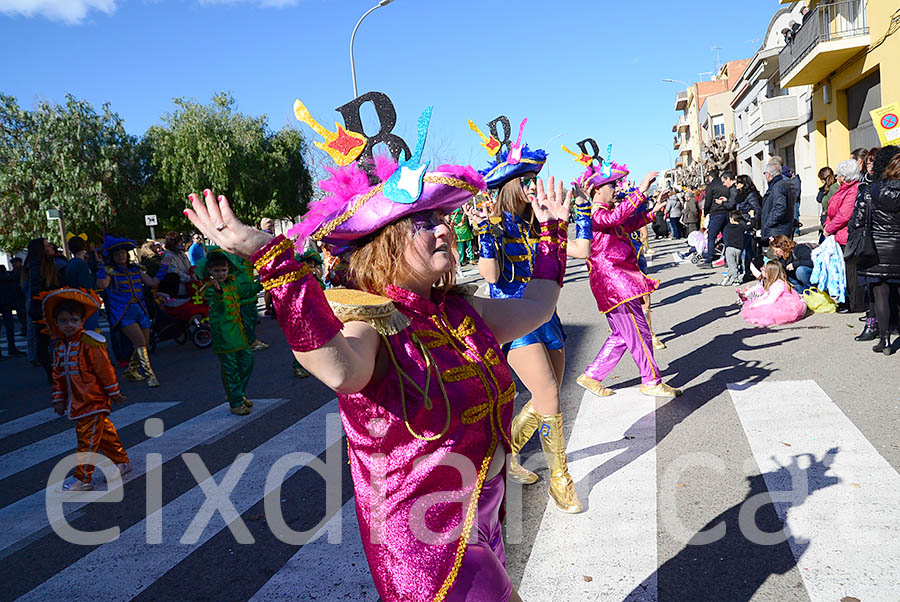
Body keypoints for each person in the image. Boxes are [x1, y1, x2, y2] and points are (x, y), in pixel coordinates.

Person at [185, 123, 570, 602]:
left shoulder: (460, 312)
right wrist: (273, 260)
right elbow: (339, 370)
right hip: (426, 541)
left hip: (482, 514)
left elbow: (537, 307)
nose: (444, 229)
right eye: (423, 223)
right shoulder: (373, 320)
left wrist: (553, 231)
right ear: (383, 243)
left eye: (440, 218)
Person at [474, 133, 582, 514]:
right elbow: (489, 274)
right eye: (526, 180)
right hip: (513, 319)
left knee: (545, 398)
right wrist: (485, 234)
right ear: (508, 187)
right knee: (550, 394)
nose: (534, 185)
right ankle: (560, 481)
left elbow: (574, 257)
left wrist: (567, 220)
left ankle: (508, 455)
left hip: (546, 315)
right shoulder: (494, 224)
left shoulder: (536, 224)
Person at [566, 159, 681, 399]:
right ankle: (651, 380)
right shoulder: (594, 213)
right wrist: (640, 190)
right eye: (611, 186)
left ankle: (592, 376)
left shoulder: (604, 213)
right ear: (597, 189)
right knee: (639, 331)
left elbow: (626, 224)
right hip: (615, 282)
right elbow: (616, 219)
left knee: (623, 334)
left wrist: (653, 212)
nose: (616, 189)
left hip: (618, 281)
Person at [43, 288, 130, 491]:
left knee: (86, 440)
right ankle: (122, 461)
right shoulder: (60, 346)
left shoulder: (90, 342)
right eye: (63, 321)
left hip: (93, 401)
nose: (69, 325)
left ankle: (83, 478)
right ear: (56, 323)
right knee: (104, 434)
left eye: (74, 320)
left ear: (82, 321)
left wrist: (113, 392)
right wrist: (58, 399)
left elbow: (105, 370)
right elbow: (58, 376)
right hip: (78, 403)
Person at [96, 236, 170, 387]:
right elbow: (102, 285)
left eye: (123, 253)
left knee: (145, 343)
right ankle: (150, 376)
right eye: (117, 254)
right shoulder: (109, 272)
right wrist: (101, 267)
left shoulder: (136, 269)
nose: (121, 256)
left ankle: (131, 369)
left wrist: (164, 267)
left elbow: (152, 282)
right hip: (124, 313)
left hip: (140, 310)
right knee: (140, 342)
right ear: (112, 257)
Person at [195, 248, 262, 415]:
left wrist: (263, 280)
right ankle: (235, 402)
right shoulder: (210, 288)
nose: (220, 274)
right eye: (216, 270)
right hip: (224, 336)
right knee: (230, 369)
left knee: (247, 360)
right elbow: (218, 303)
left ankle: (238, 394)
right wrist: (217, 291)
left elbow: (247, 292)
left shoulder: (233, 283)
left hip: (238, 333)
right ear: (210, 270)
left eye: (223, 270)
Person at [857, 148, 900, 354]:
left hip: (877, 249)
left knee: (880, 295)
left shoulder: (871, 191)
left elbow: (857, 220)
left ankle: (884, 341)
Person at [825, 159, 862, 312]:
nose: (837, 178)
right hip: (838, 233)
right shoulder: (843, 188)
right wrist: (828, 224)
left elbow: (844, 214)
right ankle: (847, 299)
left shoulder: (853, 189)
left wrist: (829, 228)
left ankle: (855, 304)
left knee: (851, 272)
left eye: (839, 175)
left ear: (845, 176)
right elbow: (833, 209)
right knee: (842, 271)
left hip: (848, 235)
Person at [23, 238, 60, 379]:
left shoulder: (38, 264)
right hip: (43, 307)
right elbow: (37, 290)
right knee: (45, 341)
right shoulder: (37, 267)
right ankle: (52, 374)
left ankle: (54, 372)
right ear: (41, 249)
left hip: (45, 305)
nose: (51, 247)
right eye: (47, 245)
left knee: (45, 341)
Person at [739, 261, 807, 327]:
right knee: (756, 305)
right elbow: (767, 294)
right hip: (777, 299)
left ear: (769, 273)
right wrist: (758, 300)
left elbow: (771, 299)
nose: (761, 270)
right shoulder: (773, 283)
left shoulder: (778, 284)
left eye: (763, 269)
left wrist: (757, 304)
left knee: (764, 311)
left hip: (788, 306)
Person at [64, 235, 100, 331]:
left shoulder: (70, 263)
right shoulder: (81, 264)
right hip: (86, 302)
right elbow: (86, 286)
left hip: (75, 300)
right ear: (84, 246)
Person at [701, 169, 736, 267]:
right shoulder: (724, 184)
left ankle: (709, 260)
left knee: (711, 236)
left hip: (716, 212)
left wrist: (706, 212)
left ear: (710, 177)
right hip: (727, 211)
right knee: (726, 236)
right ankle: (727, 259)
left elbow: (708, 200)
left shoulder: (711, 186)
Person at [735, 175, 763, 282]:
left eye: (739, 183)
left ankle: (751, 272)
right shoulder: (740, 195)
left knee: (749, 251)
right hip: (742, 224)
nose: (736, 185)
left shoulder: (751, 195)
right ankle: (749, 272)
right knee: (746, 250)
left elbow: (757, 210)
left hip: (749, 225)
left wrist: (752, 221)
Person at [761, 161, 795, 243]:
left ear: (768, 175)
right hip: (778, 229)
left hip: (778, 230)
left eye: (765, 173)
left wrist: (769, 223)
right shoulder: (778, 185)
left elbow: (780, 207)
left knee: (776, 254)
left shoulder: (778, 186)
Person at [0, 265, 25, 359]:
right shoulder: (8, 278)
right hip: (7, 304)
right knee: (9, 328)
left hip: (5, 303)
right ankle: (12, 347)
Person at [723, 210, 753, 286]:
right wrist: (752, 217)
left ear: (731, 219)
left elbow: (724, 236)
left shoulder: (728, 227)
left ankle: (736, 279)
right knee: (734, 264)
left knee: (732, 265)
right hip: (739, 249)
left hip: (729, 249)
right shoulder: (741, 227)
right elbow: (750, 225)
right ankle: (728, 277)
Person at [162, 232, 193, 296]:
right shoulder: (168, 256)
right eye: (179, 241)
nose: (181, 243)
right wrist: (189, 278)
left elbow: (189, 266)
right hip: (179, 290)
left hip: (188, 288)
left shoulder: (181, 253)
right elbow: (175, 272)